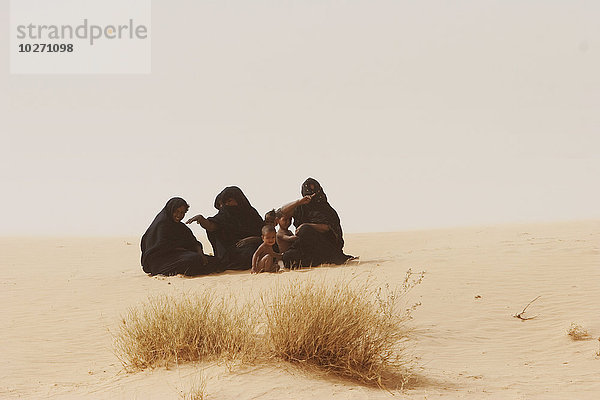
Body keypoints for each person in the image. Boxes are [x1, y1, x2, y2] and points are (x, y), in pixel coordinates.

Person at [280, 178, 353, 268]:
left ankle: (328, 259)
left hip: (327, 247)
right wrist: (299, 202)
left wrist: (306, 225)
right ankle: (318, 261)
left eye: (314, 191)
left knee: (304, 230)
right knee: (288, 257)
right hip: (308, 249)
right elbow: (283, 211)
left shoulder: (326, 209)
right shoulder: (301, 208)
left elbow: (327, 227)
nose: (312, 195)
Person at [186, 186, 264, 270]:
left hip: (256, 245)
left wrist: (251, 239)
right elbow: (212, 226)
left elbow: (263, 234)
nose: (227, 205)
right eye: (224, 203)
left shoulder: (251, 213)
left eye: (229, 201)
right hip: (236, 252)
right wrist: (201, 219)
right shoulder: (226, 214)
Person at [141, 197, 218, 276]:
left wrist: (200, 253)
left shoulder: (180, 227)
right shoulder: (162, 225)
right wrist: (185, 251)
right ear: (171, 210)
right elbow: (162, 248)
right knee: (193, 259)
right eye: (177, 212)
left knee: (213, 261)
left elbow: (193, 242)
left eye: (182, 213)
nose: (179, 215)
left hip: (180, 257)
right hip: (160, 263)